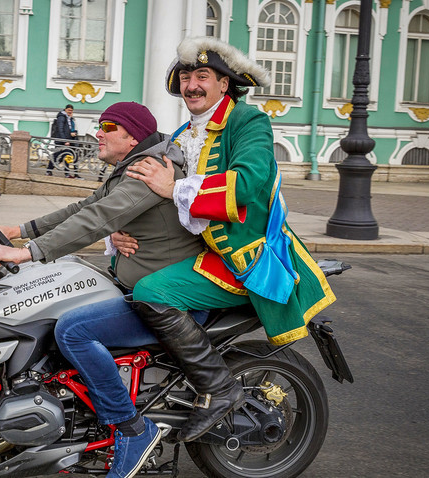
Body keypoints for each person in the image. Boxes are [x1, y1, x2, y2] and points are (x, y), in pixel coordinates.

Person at [114, 37, 337, 443]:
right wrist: (120, 231)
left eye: (203, 76)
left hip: (244, 260)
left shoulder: (247, 121)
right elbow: (154, 197)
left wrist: (176, 188)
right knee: (116, 281)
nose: (192, 85)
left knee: (151, 291)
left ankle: (219, 389)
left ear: (224, 84)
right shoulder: (184, 134)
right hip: (202, 252)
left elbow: (247, 185)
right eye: (185, 77)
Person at [0, 102, 205, 478]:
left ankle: (132, 429)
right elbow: (87, 207)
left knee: (72, 329)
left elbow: (97, 220)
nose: (99, 131)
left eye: (109, 126)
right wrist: (21, 230)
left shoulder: (150, 170)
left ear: (131, 136)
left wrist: (27, 253)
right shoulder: (132, 167)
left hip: (167, 304)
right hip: (140, 288)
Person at [46, 104, 80, 178]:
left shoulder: (70, 118)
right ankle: (49, 170)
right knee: (57, 156)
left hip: (68, 140)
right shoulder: (61, 117)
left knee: (66, 156)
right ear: (65, 109)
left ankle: (66, 173)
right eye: (69, 110)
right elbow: (60, 129)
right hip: (61, 141)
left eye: (71, 111)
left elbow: (72, 128)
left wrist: (74, 133)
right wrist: (64, 140)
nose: (70, 112)